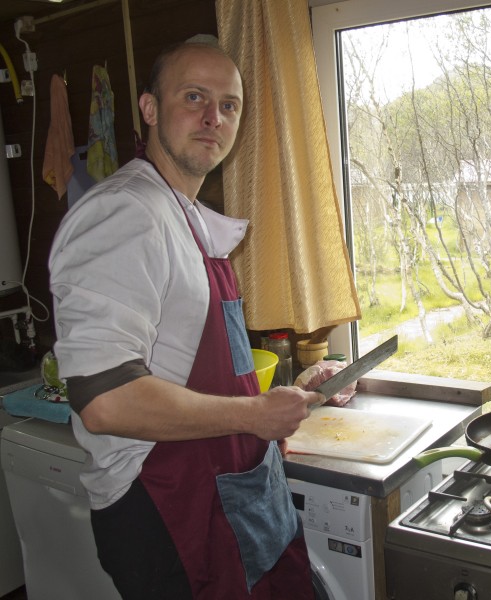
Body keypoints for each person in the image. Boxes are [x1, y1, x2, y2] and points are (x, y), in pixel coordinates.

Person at [48, 40, 318, 600]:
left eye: (229, 104)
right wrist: (252, 414)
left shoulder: (184, 216)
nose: (212, 118)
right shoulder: (125, 213)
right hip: (165, 506)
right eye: (193, 96)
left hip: (226, 490)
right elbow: (104, 401)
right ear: (148, 108)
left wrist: (268, 414)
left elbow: (191, 361)